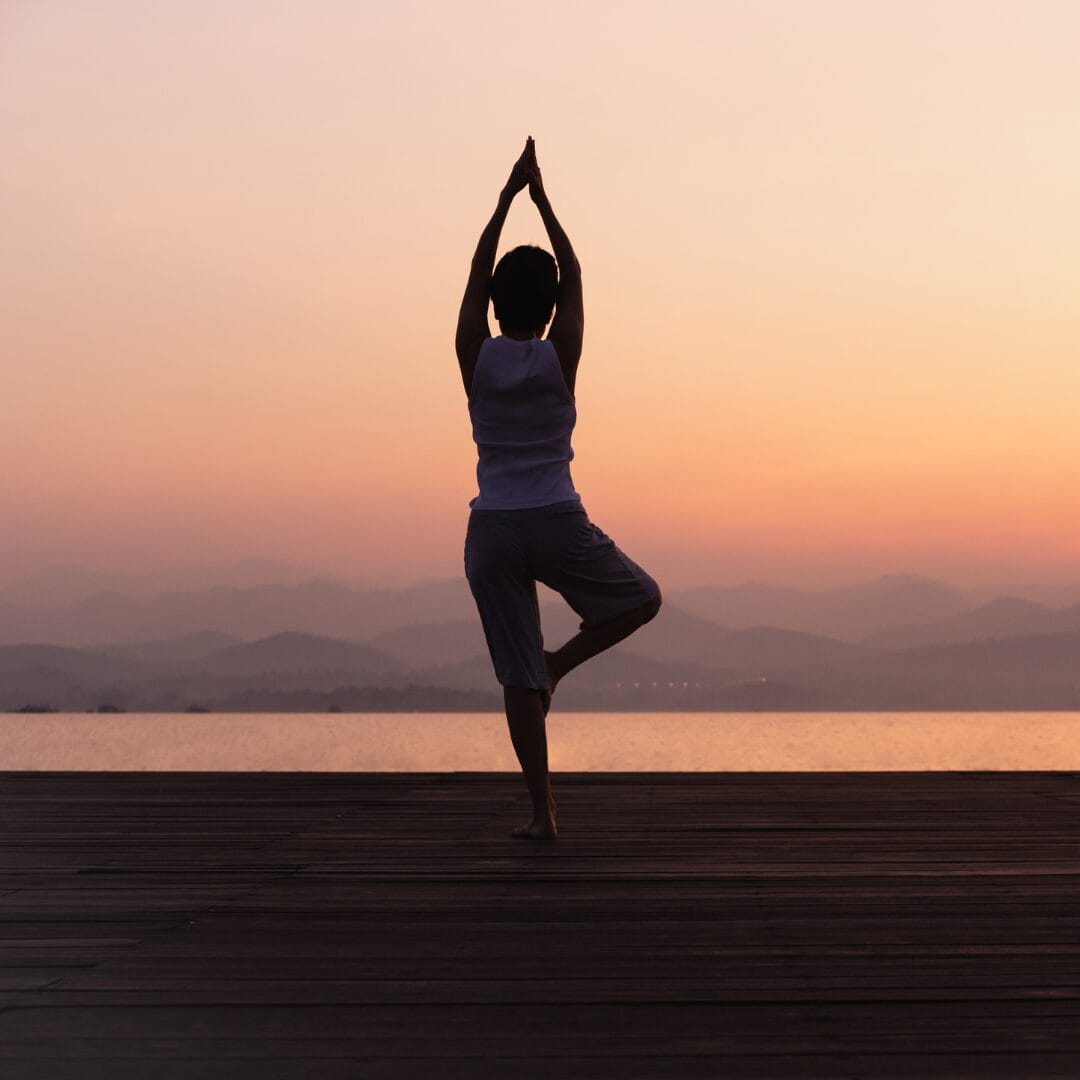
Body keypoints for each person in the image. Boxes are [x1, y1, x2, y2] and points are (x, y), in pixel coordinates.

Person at [456, 137, 662, 842]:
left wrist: (503, 201)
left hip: (492, 530)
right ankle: (558, 667)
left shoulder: (474, 357)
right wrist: (541, 199)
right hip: (553, 518)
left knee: (516, 677)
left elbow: (478, 273)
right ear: (548, 311)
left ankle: (542, 814)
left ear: (493, 305)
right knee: (641, 599)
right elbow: (573, 273)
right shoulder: (558, 357)